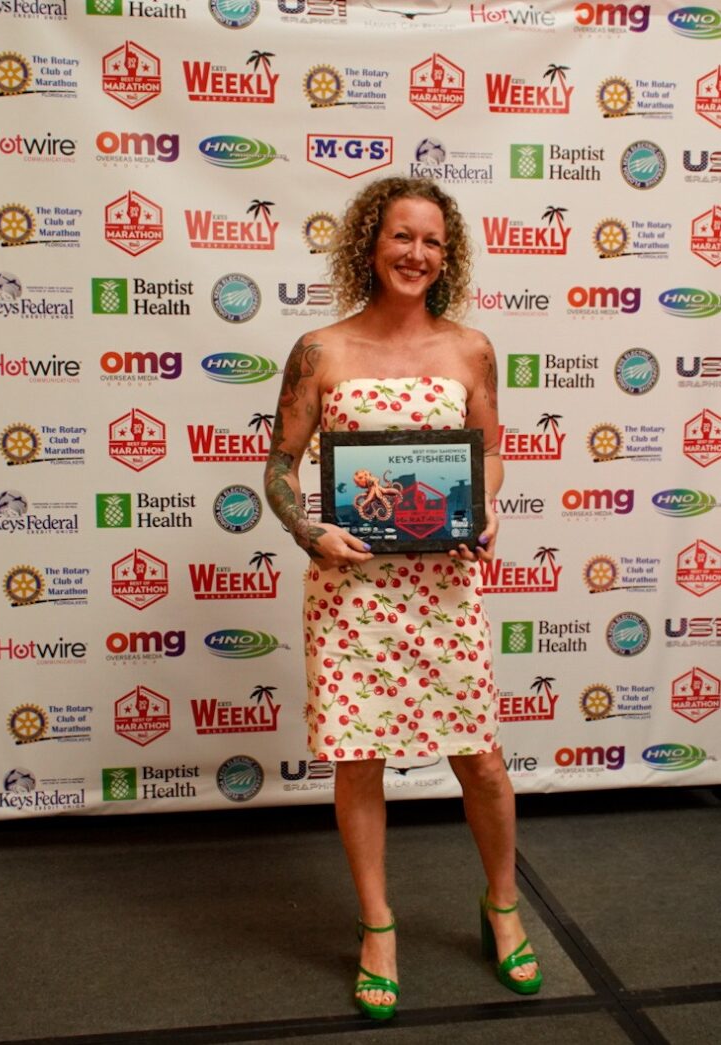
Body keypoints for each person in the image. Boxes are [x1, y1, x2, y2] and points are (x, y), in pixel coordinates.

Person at [263, 176, 541, 1019]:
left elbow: (490, 451)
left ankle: (503, 906)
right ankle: (378, 926)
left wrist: (485, 507)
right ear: (370, 244)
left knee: (480, 758)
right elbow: (278, 467)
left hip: (445, 584)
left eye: (431, 241)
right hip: (351, 592)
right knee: (358, 757)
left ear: (445, 255)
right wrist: (312, 533)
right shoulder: (320, 349)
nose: (416, 253)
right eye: (401, 237)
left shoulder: (471, 349)